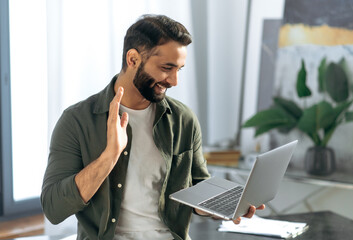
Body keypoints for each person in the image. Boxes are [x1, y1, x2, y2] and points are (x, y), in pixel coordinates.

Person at [41, 14, 264, 240]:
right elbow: (54, 208)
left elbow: (197, 188)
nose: (174, 81)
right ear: (133, 59)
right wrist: (109, 156)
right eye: (167, 67)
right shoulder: (77, 121)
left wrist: (223, 205)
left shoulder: (183, 119)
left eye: (179, 69)